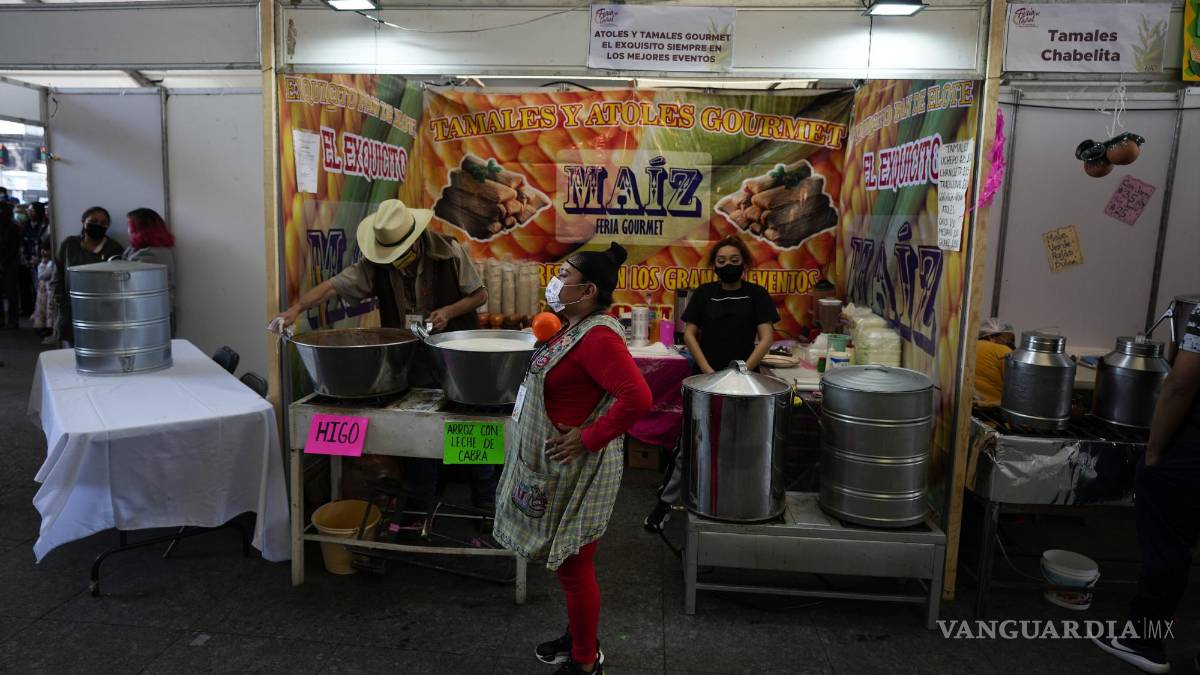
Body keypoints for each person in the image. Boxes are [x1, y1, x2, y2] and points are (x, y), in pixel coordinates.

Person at [271, 199, 493, 509]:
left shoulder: (449, 251)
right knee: (418, 431)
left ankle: (485, 503)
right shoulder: (375, 265)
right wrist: (296, 309)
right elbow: (332, 287)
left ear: (415, 241)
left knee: (467, 425)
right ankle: (421, 504)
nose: (394, 261)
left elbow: (479, 294)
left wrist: (448, 312)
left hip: (455, 355)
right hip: (412, 358)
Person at [494, 242, 651, 675]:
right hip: (554, 464)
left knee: (574, 567)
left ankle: (585, 662)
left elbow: (637, 397)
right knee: (567, 564)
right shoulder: (572, 325)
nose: (555, 282)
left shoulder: (598, 336)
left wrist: (589, 437)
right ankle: (580, 637)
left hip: (577, 467)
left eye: (565, 276)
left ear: (589, 290)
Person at [643, 235, 780, 531]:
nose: (727, 265)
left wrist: (743, 370)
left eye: (733, 260)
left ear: (744, 263)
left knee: (742, 443)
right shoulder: (705, 293)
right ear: (713, 265)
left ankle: (739, 503)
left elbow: (766, 337)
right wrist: (708, 372)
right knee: (690, 442)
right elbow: (690, 334)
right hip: (705, 380)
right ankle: (664, 504)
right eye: (721, 261)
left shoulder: (756, 294)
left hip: (746, 384)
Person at [1093, 304, 1200, 674]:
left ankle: (1142, 640)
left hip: (1192, 452)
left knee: (1168, 547)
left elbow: (1181, 384)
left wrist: (1154, 451)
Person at [53, 206, 124, 345]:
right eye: (94, 221)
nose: (98, 225)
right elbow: (58, 275)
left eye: (103, 223)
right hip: (71, 308)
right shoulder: (69, 244)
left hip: (103, 312)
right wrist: (60, 301)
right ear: (83, 221)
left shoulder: (114, 248)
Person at [123, 208, 177, 336]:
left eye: (130, 226)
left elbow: (130, 282)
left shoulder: (153, 253)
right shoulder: (136, 249)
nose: (128, 230)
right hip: (146, 314)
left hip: (152, 315)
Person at [974, 318, 1015, 407]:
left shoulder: (969, 346)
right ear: (991, 336)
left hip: (967, 404)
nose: (1009, 343)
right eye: (1007, 338)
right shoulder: (1003, 351)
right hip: (991, 409)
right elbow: (1016, 388)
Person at [0, 203, 20, 329]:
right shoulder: (13, 226)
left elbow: (14, 248)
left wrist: (3, 262)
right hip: (8, 263)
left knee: (11, 293)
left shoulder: (13, 228)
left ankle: (13, 320)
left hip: (10, 263)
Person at [32, 244, 55, 338]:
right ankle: (46, 326)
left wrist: (41, 264)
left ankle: (48, 328)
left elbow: (42, 275)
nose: (44, 252)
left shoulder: (50, 263)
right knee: (45, 309)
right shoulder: (49, 262)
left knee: (47, 309)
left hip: (48, 289)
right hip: (46, 289)